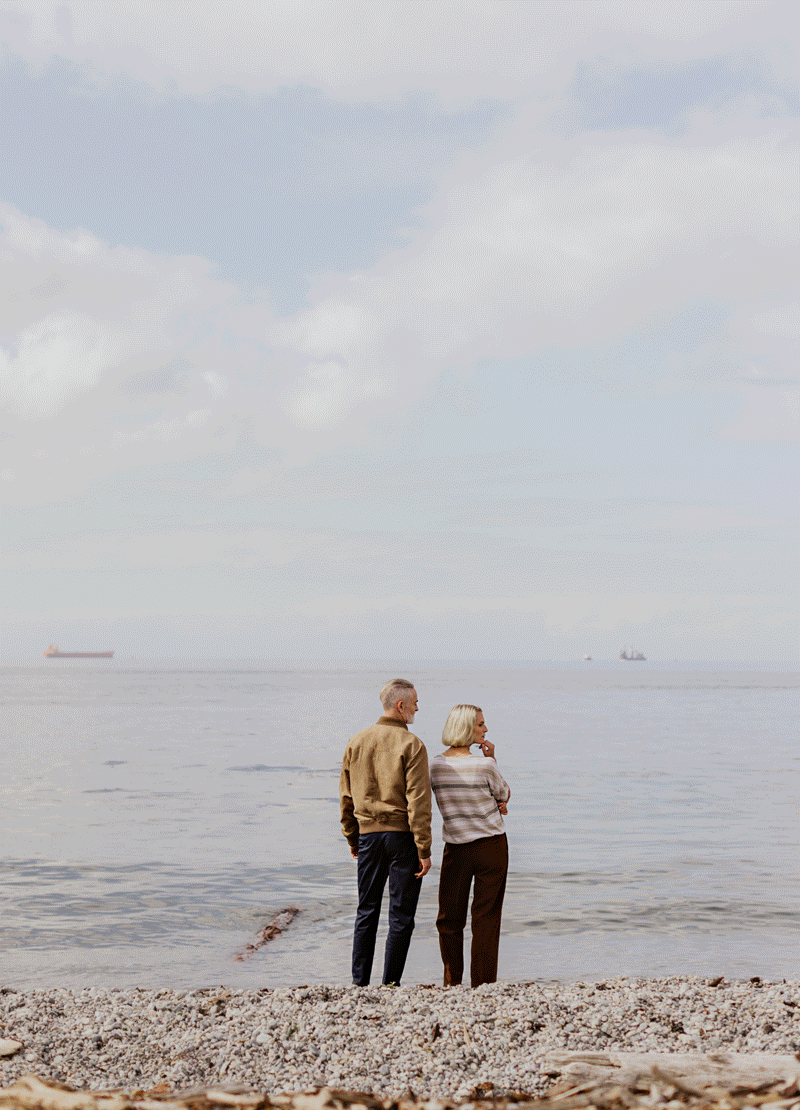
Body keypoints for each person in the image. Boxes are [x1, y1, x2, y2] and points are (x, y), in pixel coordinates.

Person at [340, 679, 432, 986]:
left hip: (368, 836)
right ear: (400, 705)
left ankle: (359, 984)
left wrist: (353, 837)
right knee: (401, 916)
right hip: (402, 838)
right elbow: (418, 802)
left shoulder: (356, 741)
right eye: (415, 703)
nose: (418, 708)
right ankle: (390, 984)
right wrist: (424, 849)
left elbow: (346, 797)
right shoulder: (412, 744)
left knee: (366, 911)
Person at [430, 704, 510, 988]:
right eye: (480, 724)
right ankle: (483, 984)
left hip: (456, 847)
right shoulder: (485, 765)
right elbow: (503, 793)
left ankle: (452, 982)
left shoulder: (435, 766)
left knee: (449, 918)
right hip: (491, 846)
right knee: (486, 918)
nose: (485, 729)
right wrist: (493, 762)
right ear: (466, 727)